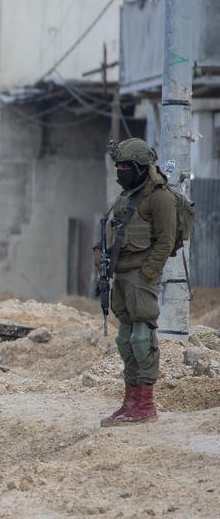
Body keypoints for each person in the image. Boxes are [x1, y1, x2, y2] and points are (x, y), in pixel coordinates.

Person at [98, 138, 176, 426]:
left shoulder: (160, 197)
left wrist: (149, 273)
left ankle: (145, 404)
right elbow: (115, 229)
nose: (121, 171)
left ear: (142, 167)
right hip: (120, 274)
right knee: (125, 339)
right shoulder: (127, 196)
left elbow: (165, 240)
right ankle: (129, 400)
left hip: (141, 275)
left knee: (143, 338)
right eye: (118, 166)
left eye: (126, 166)